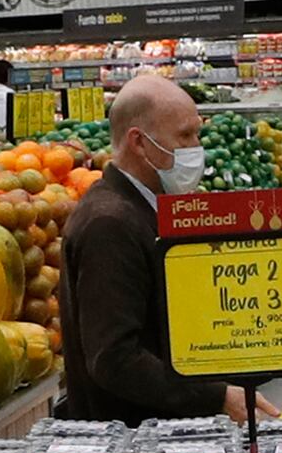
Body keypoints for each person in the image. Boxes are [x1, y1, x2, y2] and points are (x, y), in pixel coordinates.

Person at [57, 70, 249, 425]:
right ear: (139, 143)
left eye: (197, 134)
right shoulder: (109, 224)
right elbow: (114, 359)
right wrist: (216, 396)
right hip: (130, 443)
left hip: (156, 434)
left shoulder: (142, 208)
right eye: (185, 136)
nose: (197, 148)